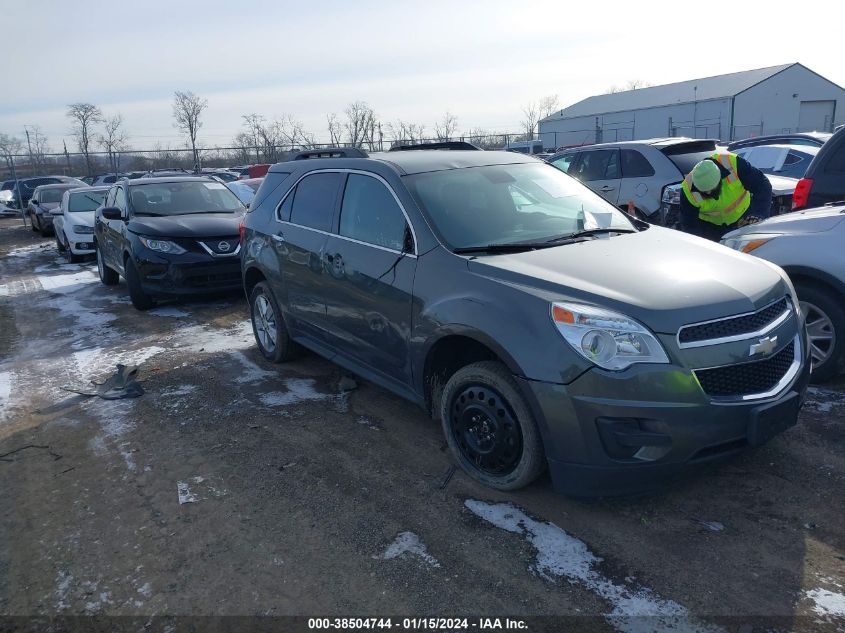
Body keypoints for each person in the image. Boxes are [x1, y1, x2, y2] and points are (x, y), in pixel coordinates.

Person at [680, 151, 772, 241]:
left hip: (744, 218)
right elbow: (690, 226)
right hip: (710, 228)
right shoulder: (688, 189)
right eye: (704, 192)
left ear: (720, 178)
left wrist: (758, 215)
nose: (708, 193)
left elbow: (762, 185)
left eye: (712, 189)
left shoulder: (732, 164)